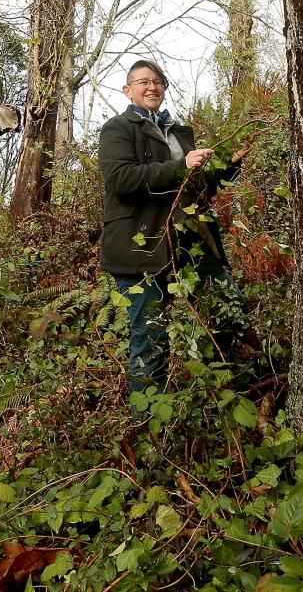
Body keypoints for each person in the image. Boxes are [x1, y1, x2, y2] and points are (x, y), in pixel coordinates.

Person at [98, 59, 254, 401]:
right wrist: (179, 165)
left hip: (190, 246)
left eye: (158, 81)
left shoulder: (179, 132)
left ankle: (228, 399)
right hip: (142, 251)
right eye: (143, 81)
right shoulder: (118, 129)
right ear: (128, 90)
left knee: (231, 311)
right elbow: (120, 180)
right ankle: (149, 423)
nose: (152, 86)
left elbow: (195, 188)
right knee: (149, 340)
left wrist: (228, 167)